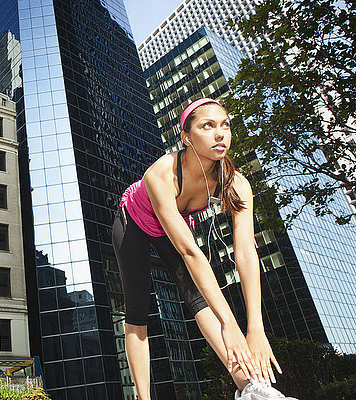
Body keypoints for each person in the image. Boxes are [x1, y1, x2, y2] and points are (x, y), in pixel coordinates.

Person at [112, 98, 297, 400]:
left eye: (225, 125)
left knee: (199, 299)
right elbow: (190, 253)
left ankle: (252, 388)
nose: (220, 133)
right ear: (186, 137)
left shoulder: (237, 184)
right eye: (207, 126)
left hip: (176, 224)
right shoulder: (161, 174)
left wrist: (255, 328)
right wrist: (230, 324)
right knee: (138, 308)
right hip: (134, 220)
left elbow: (246, 253)